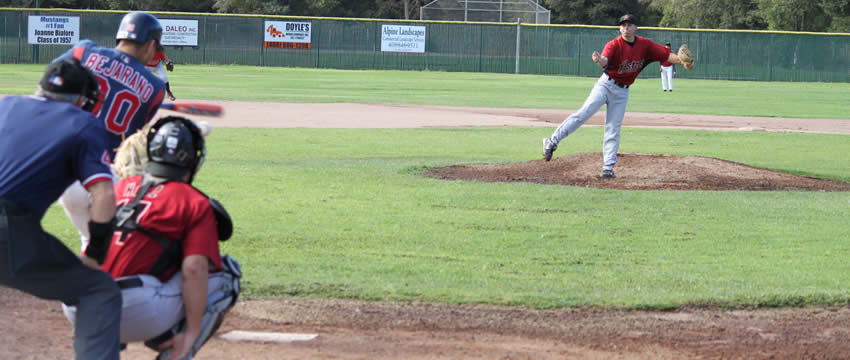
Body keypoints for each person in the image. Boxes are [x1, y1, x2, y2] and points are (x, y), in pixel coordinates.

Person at [62, 116, 241, 360]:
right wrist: (192, 331)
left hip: (77, 303)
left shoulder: (118, 188)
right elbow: (194, 269)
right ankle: (177, 350)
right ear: (196, 160)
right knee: (228, 274)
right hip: (132, 309)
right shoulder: (194, 201)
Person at [0, 58, 122, 359]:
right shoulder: (83, 122)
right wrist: (95, 252)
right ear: (83, 100)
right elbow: (104, 194)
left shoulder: (5, 105)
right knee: (97, 289)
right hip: (9, 227)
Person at [56, 11, 167, 252]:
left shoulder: (84, 51)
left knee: (91, 242)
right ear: (150, 45)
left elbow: (52, 82)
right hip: (103, 177)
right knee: (119, 248)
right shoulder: (155, 89)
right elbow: (128, 142)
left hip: (64, 173)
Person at [542, 14, 693, 178]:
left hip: (622, 92)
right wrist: (600, 60)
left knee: (613, 128)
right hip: (606, 85)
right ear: (619, 28)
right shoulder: (614, 44)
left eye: (629, 25)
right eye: (623, 25)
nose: (626, 28)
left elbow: (665, 55)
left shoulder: (645, 45)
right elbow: (605, 60)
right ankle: (552, 141)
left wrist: (683, 62)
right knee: (584, 113)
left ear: (635, 27)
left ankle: (608, 168)